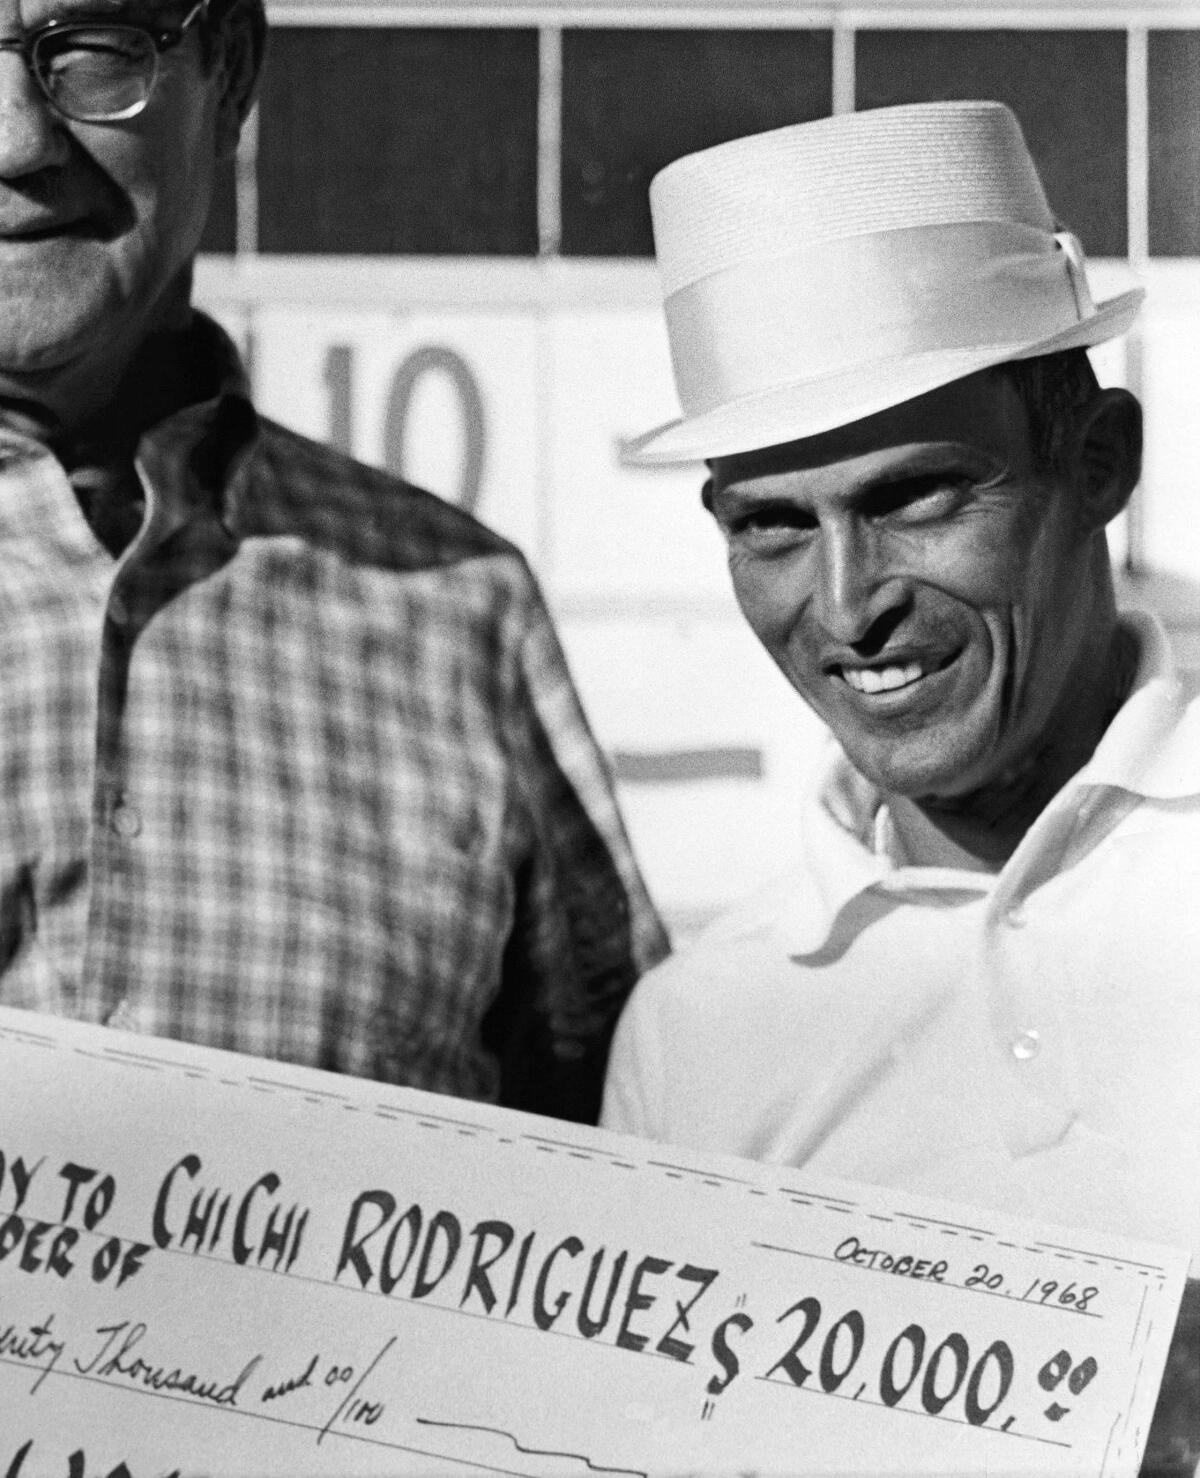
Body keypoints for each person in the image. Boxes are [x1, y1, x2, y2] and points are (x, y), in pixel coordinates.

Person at [601, 102, 1198, 1470]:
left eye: (918, 497)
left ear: (1098, 464)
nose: (849, 603)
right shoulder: (698, 1035)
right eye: (772, 526)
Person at [0, 0, 666, 1124]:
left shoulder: (454, 604)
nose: (17, 139)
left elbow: (629, 1152)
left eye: (92, 46)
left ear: (232, 75)